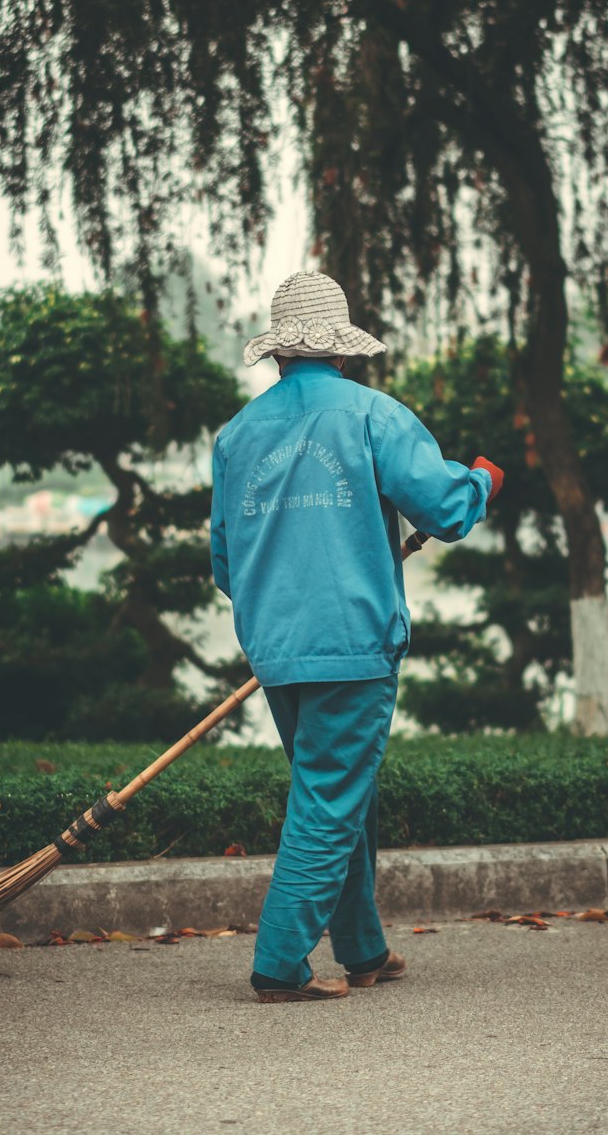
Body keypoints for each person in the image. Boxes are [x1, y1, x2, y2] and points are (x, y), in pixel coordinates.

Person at [210, 271, 503, 1002]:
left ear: (279, 354)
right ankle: (278, 961)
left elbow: (224, 561)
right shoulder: (373, 414)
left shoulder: (236, 436)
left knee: (342, 789)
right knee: (331, 795)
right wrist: (481, 482)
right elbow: (443, 508)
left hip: (276, 646)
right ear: (341, 350)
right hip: (352, 638)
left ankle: (364, 947)